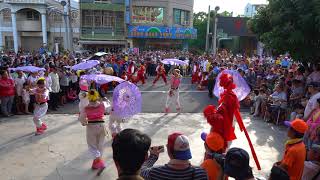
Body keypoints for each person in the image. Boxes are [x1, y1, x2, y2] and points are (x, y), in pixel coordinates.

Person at [141, 132, 208, 180]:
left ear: (169, 150)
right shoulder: (200, 173)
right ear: (188, 150)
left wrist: (153, 157)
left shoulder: (157, 172)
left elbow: (141, 170)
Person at [79, 89, 106, 174]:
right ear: (97, 96)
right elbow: (106, 111)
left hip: (91, 127)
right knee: (100, 145)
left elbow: (82, 118)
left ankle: (100, 162)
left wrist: (83, 123)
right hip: (102, 126)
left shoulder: (86, 107)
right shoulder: (102, 105)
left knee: (92, 146)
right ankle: (96, 163)